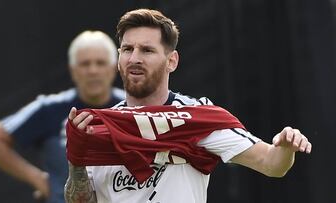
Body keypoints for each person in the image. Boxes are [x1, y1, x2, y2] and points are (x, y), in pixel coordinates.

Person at [64, 9, 312, 203]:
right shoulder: (102, 126)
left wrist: (286, 147)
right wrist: (76, 160)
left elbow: (271, 164)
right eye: (127, 49)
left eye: (147, 50)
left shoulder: (196, 117)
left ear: (171, 61)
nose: (135, 58)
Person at [0, 30, 125, 203]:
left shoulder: (131, 108)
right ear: (73, 70)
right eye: (85, 64)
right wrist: (38, 179)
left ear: (114, 67)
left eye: (100, 63)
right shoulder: (49, 108)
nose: (93, 70)